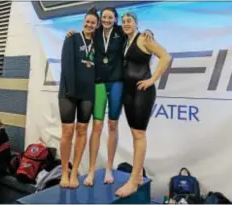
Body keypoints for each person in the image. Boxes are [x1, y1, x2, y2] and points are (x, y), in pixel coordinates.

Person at [67, 7, 153, 186]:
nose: (106, 20)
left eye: (110, 17)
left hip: (117, 83)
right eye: (104, 17)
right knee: (97, 126)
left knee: (113, 124)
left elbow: (135, 32)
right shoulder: (96, 32)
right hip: (98, 82)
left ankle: (108, 168)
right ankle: (91, 171)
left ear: (115, 20)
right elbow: (84, 34)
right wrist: (71, 33)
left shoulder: (121, 32)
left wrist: (149, 32)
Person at [115, 12, 171, 198]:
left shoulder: (144, 39)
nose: (125, 24)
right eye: (123, 21)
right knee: (134, 133)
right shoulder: (124, 40)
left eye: (129, 21)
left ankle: (133, 181)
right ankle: (138, 175)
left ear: (137, 24)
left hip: (142, 92)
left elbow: (165, 57)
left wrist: (152, 79)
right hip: (128, 92)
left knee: (139, 134)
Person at [58, 7, 99, 188]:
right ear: (83, 22)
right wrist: (70, 89)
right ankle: (64, 172)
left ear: (97, 25)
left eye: (93, 22)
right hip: (69, 91)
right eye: (87, 21)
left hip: (88, 92)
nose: (90, 25)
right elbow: (66, 64)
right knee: (67, 131)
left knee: (82, 131)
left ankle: (74, 172)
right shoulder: (72, 38)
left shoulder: (99, 44)